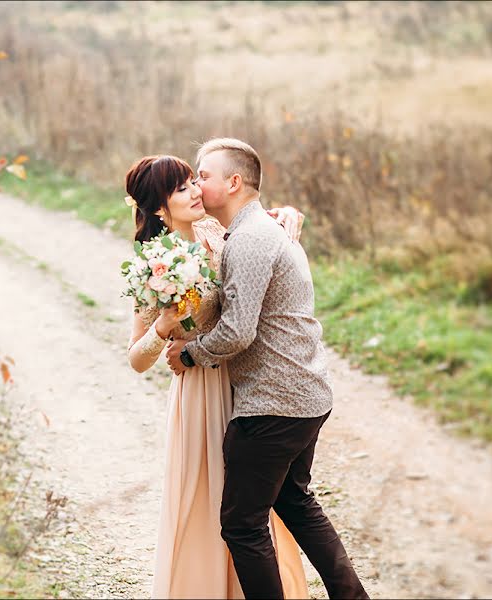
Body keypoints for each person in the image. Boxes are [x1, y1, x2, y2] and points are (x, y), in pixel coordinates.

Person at [166, 139, 369, 599]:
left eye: (203, 175)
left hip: (274, 404)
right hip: (305, 395)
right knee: (296, 503)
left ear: (233, 182)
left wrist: (189, 354)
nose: (197, 184)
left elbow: (237, 332)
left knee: (242, 526)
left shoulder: (251, 239)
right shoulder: (256, 231)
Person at [124, 154, 308, 599]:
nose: (195, 192)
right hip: (198, 391)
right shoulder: (154, 263)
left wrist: (285, 215)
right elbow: (136, 357)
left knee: (250, 502)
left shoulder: (215, 232)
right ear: (159, 209)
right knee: (208, 501)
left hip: (244, 378)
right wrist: (163, 328)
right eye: (182, 188)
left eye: (193, 181)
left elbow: (258, 230)